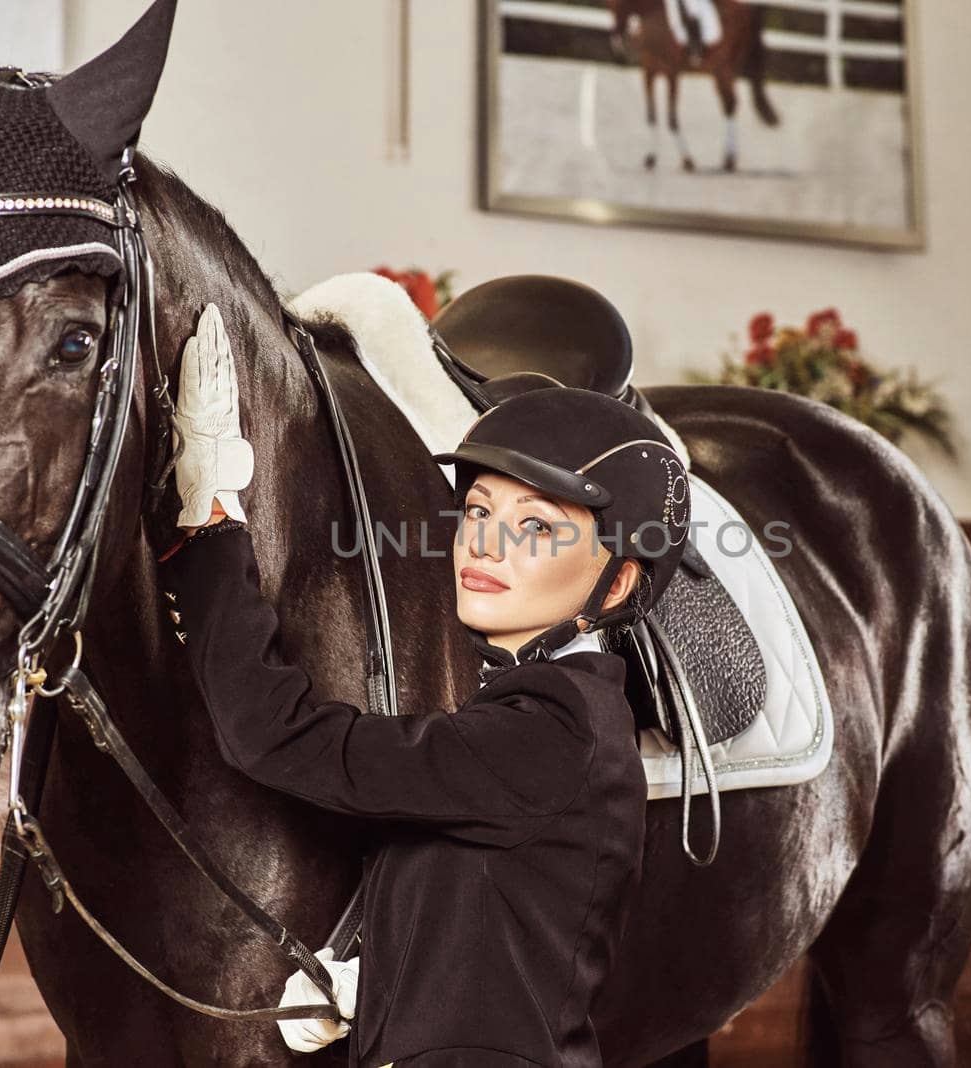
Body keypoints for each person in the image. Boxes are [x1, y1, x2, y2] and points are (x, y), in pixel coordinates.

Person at [158, 304, 691, 1066]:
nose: (486, 542)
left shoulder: (555, 726)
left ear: (613, 586)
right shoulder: (530, 711)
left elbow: (277, 738)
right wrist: (382, 988)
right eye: (478, 509)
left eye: (537, 527)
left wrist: (210, 527)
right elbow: (494, 919)